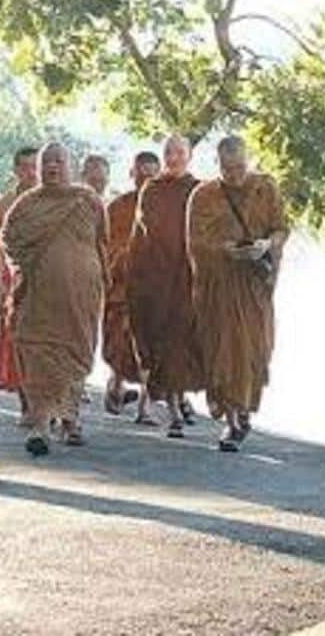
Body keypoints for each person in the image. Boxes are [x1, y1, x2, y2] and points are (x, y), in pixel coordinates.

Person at [2, 143, 108, 456]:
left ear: (70, 166)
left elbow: (102, 242)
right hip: (38, 297)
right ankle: (41, 424)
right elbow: (9, 240)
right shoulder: (26, 205)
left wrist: (101, 281)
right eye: (46, 162)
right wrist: (28, 264)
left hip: (80, 298)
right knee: (38, 355)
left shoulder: (88, 200)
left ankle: (70, 418)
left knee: (74, 356)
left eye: (58, 162)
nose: (52, 168)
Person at [187, 135, 290, 452]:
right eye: (228, 168)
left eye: (240, 167)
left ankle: (244, 409)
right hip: (219, 288)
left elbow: (281, 227)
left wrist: (266, 245)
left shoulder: (265, 188)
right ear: (217, 164)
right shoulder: (204, 196)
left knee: (254, 350)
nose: (235, 175)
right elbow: (194, 242)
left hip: (254, 287)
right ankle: (231, 421)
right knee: (224, 352)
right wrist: (225, 250)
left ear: (248, 160)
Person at [126, 134, 203, 438]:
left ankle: (175, 403)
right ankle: (172, 411)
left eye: (179, 152)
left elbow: (205, 231)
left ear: (189, 156)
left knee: (182, 344)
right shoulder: (153, 189)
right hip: (157, 278)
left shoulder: (199, 190)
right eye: (169, 152)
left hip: (188, 279)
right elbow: (147, 228)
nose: (173, 157)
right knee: (159, 343)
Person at [102, 150, 159, 418]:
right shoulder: (117, 208)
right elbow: (104, 245)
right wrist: (126, 256)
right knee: (118, 343)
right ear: (131, 174)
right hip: (121, 288)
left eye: (151, 175)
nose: (145, 180)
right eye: (140, 174)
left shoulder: (166, 209)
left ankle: (145, 405)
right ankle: (115, 383)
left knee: (152, 346)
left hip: (154, 290)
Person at [0, 146, 39, 402]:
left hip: (47, 280)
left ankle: (44, 397)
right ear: (16, 170)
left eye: (35, 167)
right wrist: (0, 281)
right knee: (16, 338)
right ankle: (24, 400)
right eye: (25, 167)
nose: (31, 173)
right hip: (13, 279)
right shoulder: (4, 204)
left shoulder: (55, 201)